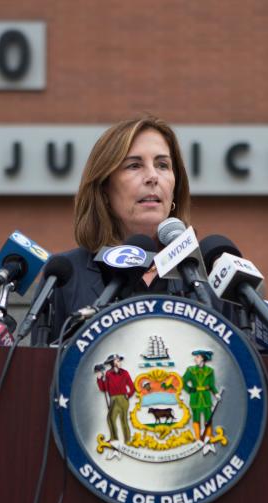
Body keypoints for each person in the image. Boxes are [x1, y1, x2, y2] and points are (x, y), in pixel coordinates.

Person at [44, 115, 197, 339]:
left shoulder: (204, 274)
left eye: (162, 165)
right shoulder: (65, 273)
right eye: (134, 165)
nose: (153, 177)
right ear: (104, 189)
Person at [95, 353, 135, 442]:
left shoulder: (125, 373)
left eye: (119, 361)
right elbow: (104, 388)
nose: (120, 362)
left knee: (123, 419)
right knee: (110, 418)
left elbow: (132, 387)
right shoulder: (108, 374)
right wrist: (99, 378)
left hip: (122, 398)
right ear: (113, 363)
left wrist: (128, 395)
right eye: (117, 361)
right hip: (113, 399)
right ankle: (114, 438)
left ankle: (127, 439)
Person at [182, 349, 219, 440]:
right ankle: (198, 437)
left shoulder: (210, 371)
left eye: (197, 357)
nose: (195, 359)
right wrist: (190, 390)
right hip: (195, 397)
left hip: (206, 397)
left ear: (203, 358)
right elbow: (182, 382)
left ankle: (208, 436)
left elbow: (211, 385)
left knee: (208, 416)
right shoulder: (191, 370)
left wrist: (216, 393)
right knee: (196, 417)